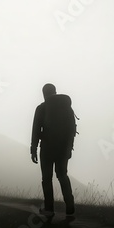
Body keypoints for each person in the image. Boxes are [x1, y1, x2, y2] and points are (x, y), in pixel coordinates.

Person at [31, 83, 75, 217]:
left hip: (47, 148)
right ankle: (70, 206)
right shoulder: (67, 108)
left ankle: (49, 209)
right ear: (55, 92)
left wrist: (33, 148)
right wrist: (69, 148)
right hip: (63, 148)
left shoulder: (41, 108)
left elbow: (36, 130)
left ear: (44, 93)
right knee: (62, 175)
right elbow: (72, 130)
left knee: (47, 178)